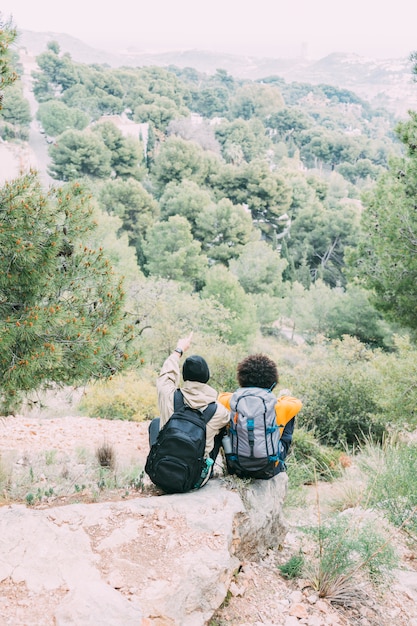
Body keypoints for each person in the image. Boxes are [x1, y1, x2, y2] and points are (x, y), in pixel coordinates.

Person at [153, 331, 230, 471]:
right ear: (207, 377)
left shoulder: (168, 395)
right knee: (220, 430)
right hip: (194, 479)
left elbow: (166, 374)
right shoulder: (219, 412)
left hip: (161, 473)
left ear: (184, 376)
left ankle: (158, 461)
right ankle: (212, 468)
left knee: (156, 424)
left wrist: (179, 349)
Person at [218, 353, 302, 476]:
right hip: (269, 468)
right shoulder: (281, 406)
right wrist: (282, 397)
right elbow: (297, 403)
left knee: (222, 418)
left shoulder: (229, 401)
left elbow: (221, 396)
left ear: (241, 378)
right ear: (272, 380)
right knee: (289, 418)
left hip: (236, 466)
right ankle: (280, 463)